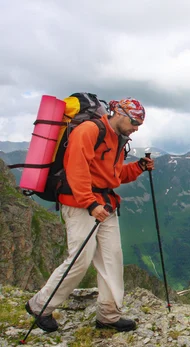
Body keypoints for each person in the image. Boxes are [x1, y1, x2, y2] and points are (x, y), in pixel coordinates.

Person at [25, 97, 154, 333]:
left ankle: (108, 314)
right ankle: (39, 305)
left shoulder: (117, 139)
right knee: (80, 259)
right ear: (120, 114)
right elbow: (76, 168)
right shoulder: (88, 131)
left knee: (112, 258)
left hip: (104, 204)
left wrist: (138, 168)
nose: (137, 128)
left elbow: (112, 177)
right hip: (80, 204)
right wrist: (90, 203)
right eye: (135, 122)